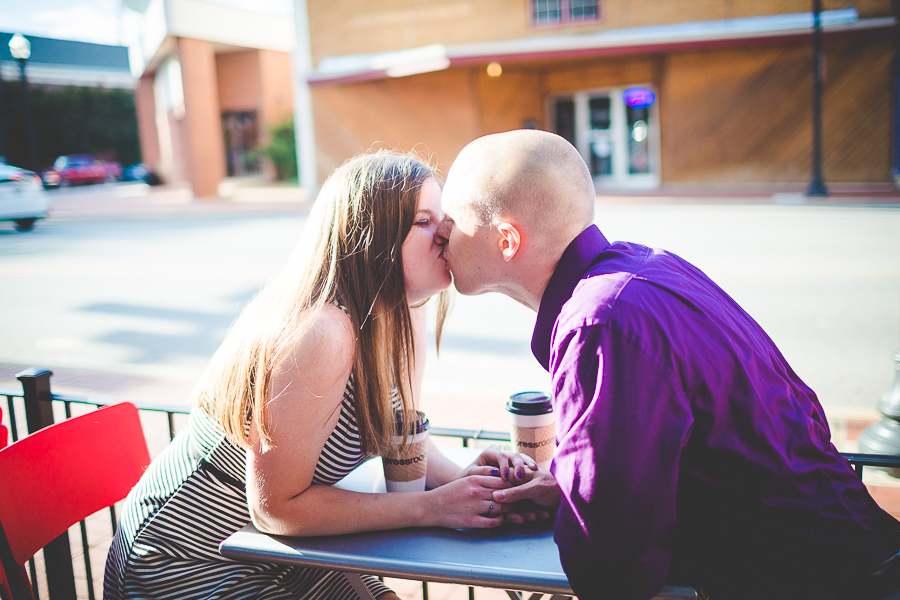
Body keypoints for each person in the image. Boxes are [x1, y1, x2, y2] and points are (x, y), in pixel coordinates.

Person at [434, 129, 900, 600]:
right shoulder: (646, 269)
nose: (441, 232)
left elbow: (609, 566)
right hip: (858, 553)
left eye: (452, 218)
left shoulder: (600, 323)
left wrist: (580, 510)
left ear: (508, 240)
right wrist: (568, 491)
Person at [104, 150, 536, 600]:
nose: (446, 234)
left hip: (282, 550)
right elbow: (275, 509)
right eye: (424, 222)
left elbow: (400, 435)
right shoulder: (325, 332)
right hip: (189, 559)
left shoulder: (406, 314)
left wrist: (466, 480)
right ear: (372, 239)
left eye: (443, 219)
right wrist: (433, 507)